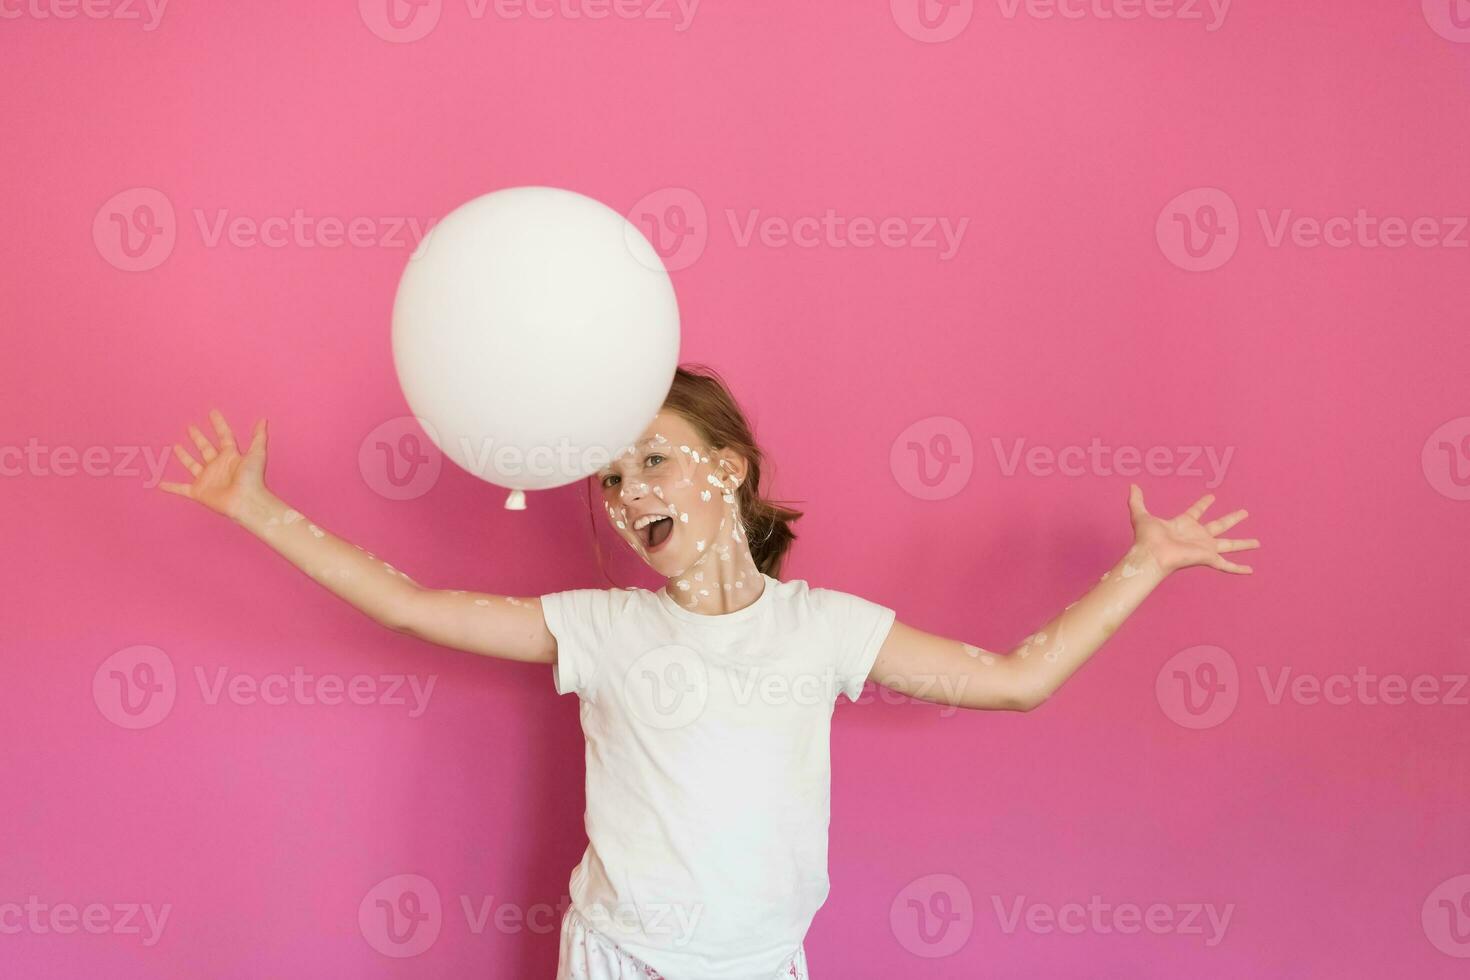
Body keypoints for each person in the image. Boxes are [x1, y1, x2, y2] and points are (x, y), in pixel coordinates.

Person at [160, 364, 1259, 980]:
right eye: (609, 475)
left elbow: (1022, 678)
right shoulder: (601, 626)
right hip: (617, 960)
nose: (628, 487)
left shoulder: (825, 627)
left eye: (653, 458)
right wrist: (255, 506)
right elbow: (411, 604)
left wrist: (1147, 562)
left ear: (725, 469)